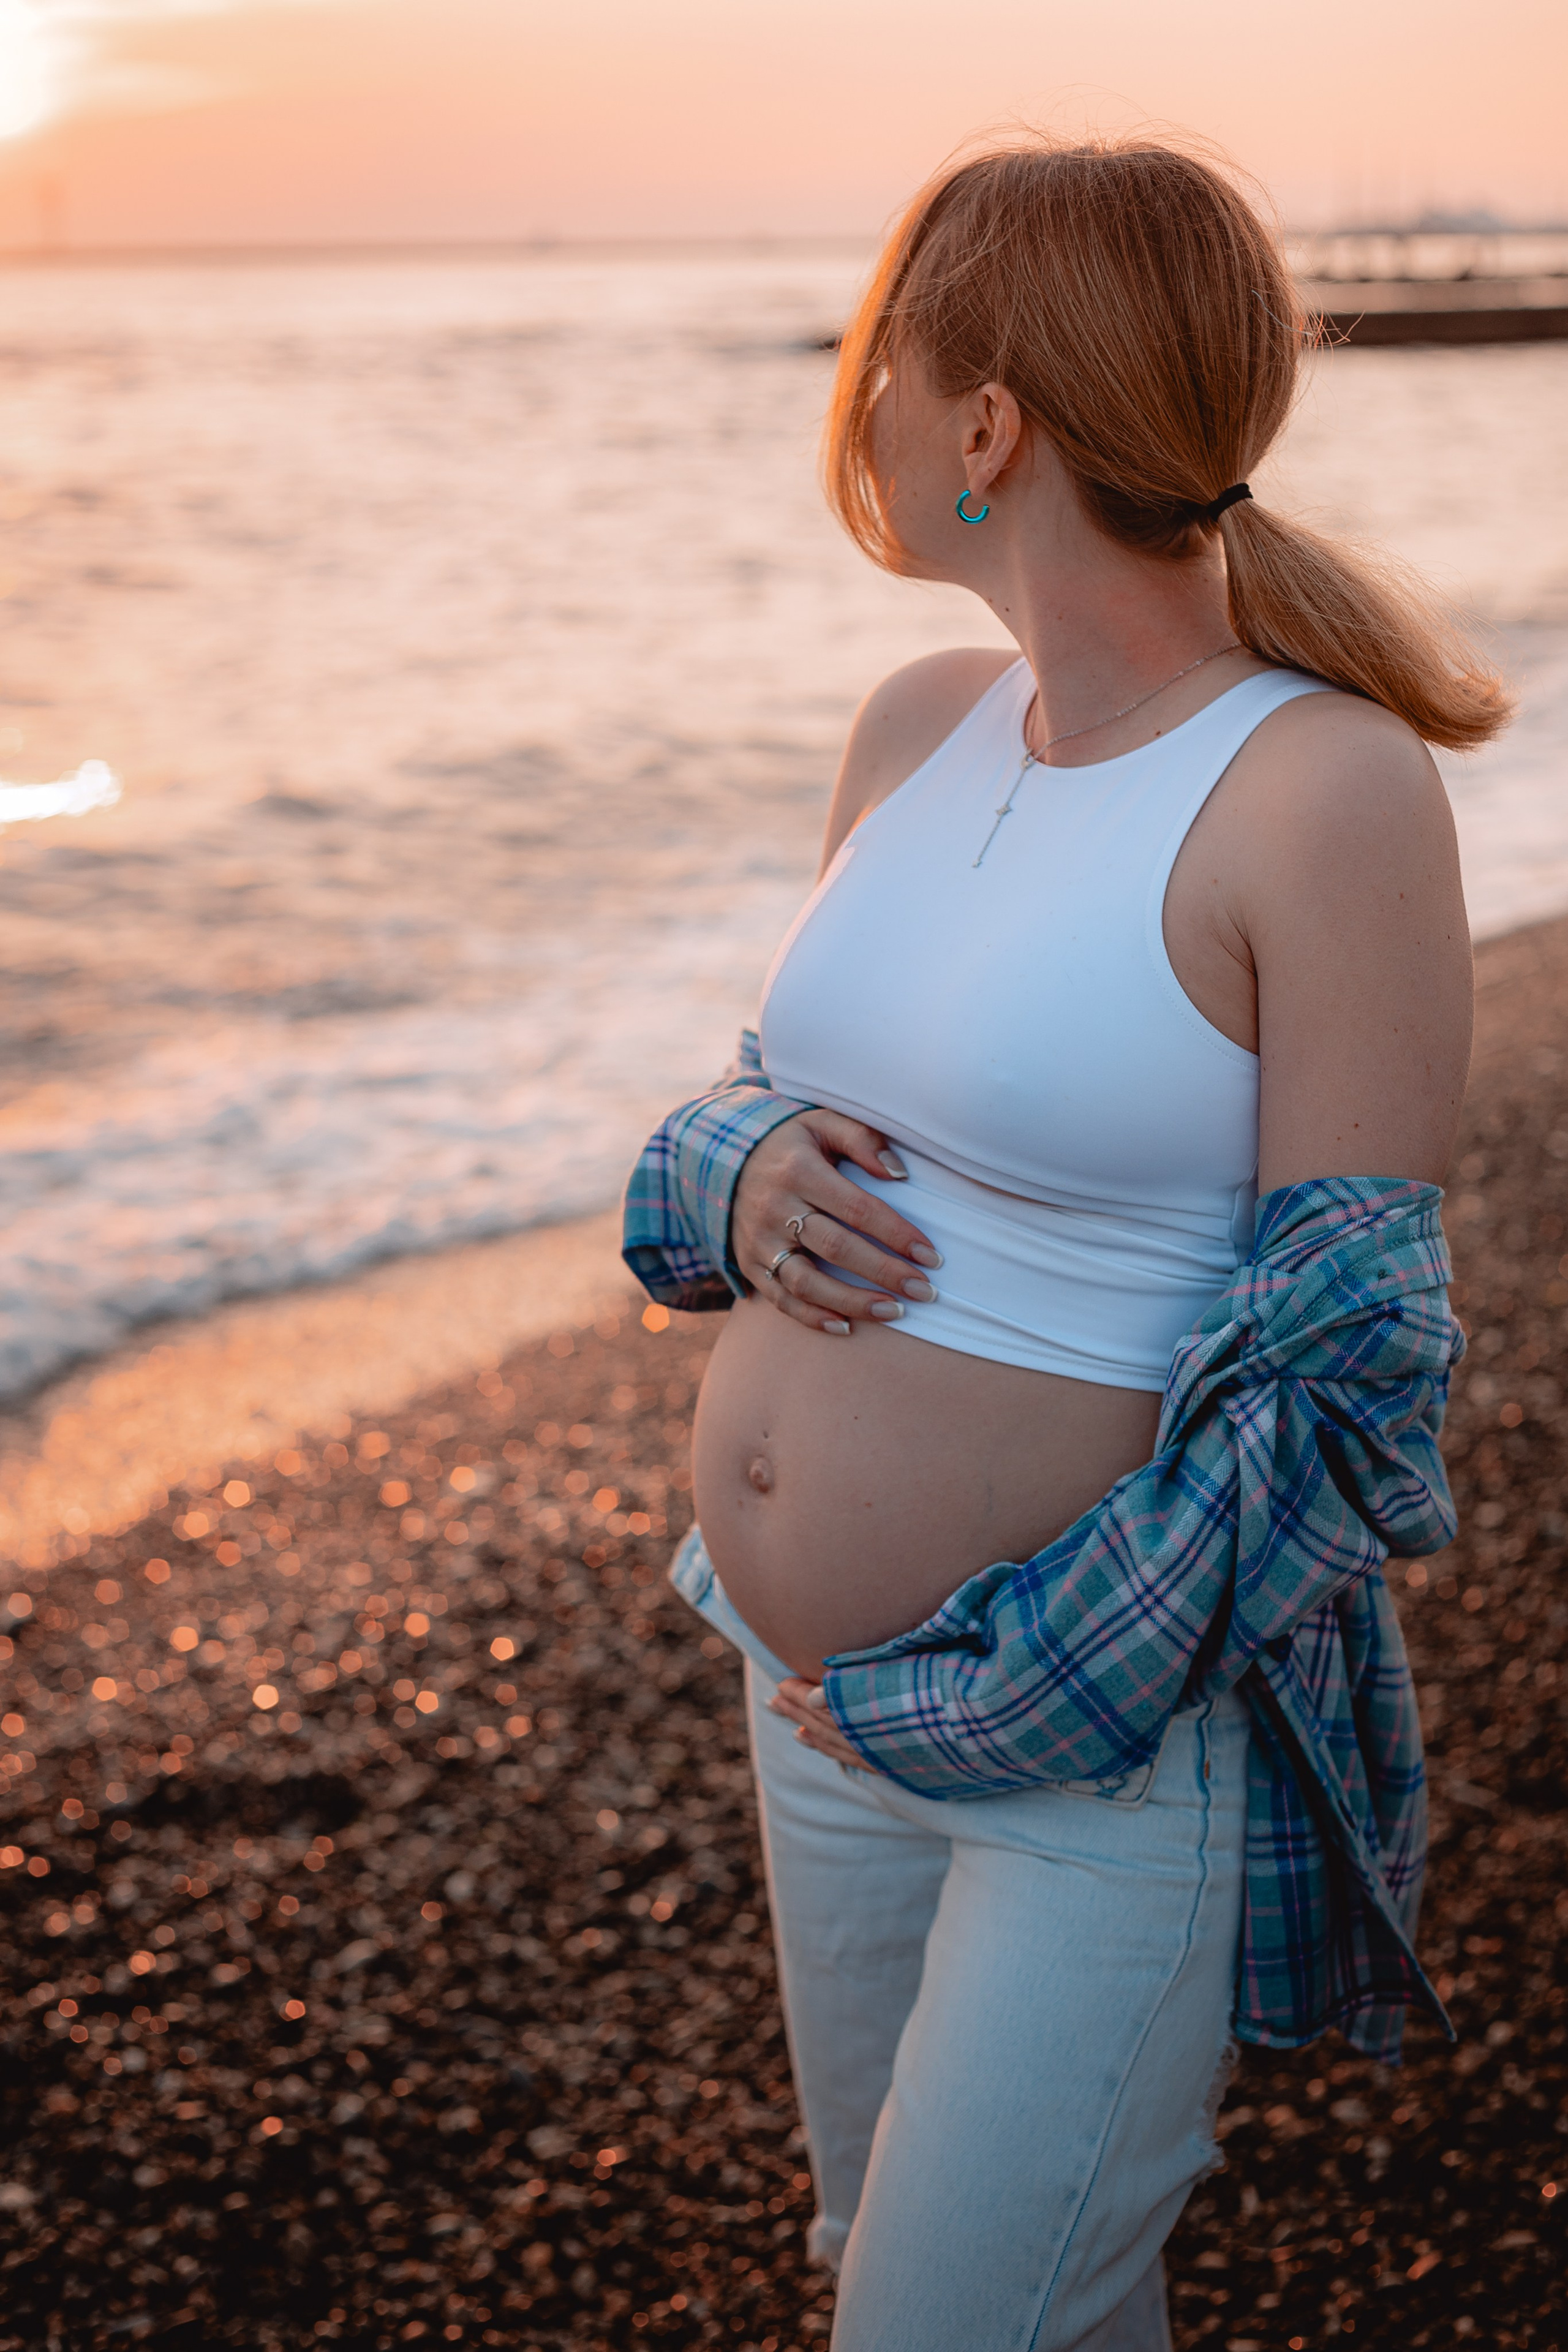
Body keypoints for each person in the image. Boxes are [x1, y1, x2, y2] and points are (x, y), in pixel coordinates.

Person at [622, 134, 1508, 2351]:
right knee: (911, 2284)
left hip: (1083, 1751)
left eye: (895, 365)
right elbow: (776, 1117)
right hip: (796, 1689)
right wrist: (724, 1176)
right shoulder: (916, 730)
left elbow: (1352, 1388)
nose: (878, 412)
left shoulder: (1325, 787)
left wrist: (987, 1701)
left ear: (989, 419)